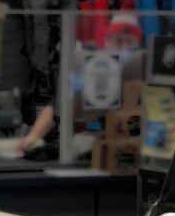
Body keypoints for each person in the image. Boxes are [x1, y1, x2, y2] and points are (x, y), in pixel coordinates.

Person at [16, 12, 144, 153]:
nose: (124, 46)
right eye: (118, 41)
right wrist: (33, 136)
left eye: (130, 41)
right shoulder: (91, 69)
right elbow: (57, 106)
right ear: (108, 42)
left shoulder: (143, 70)